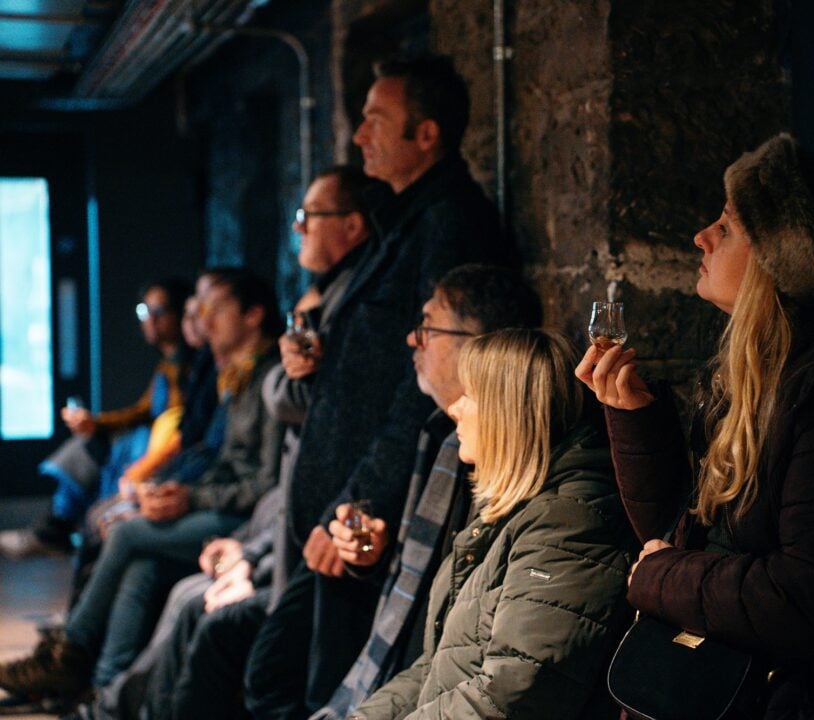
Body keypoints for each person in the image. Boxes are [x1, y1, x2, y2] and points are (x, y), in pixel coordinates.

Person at [576, 133, 814, 719]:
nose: (701, 236)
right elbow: (686, 532)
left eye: (728, 227)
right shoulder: (756, 378)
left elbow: (806, 596)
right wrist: (634, 419)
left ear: (782, 259)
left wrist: (658, 577)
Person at [246, 55, 512, 720]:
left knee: (306, 686)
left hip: (361, 514)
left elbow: (426, 384)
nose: (359, 135)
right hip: (340, 501)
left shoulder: (447, 221)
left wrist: (361, 502)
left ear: (426, 135)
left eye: (375, 120)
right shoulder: (408, 218)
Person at [0, 269, 285, 701]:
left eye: (216, 307)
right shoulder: (235, 376)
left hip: (240, 523)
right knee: (141, 566)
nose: (204, 319)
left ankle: (71, 651)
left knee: (130, 533)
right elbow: (211, 458)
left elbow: (261, 482)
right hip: (213, 504)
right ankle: (102, 689)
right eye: (200, 308)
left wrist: (187, 497)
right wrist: (171, 492)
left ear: (253, 315)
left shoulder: (267, 378)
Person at [352, 328, 635, 720]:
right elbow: (435, 668)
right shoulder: (516, 512)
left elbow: (512, 693)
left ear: (509, 414)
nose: (454, 409)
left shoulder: (567, 523)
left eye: (470, 395)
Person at [310, 264, 542, 720]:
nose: (412, 339)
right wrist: (374, 557)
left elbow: (489, 662)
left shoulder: (512, 459)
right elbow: (435, 600)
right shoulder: (443, 438)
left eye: (427, 327)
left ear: (479, 346)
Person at [0, 279, 192, 559]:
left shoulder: (188, 367)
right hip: (147, 446)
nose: (150, 320)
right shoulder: (168, 363)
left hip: (159, 453)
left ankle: (53, 530)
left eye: (159, 311)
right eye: (144, 311)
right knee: (89, 447)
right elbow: (143, 409)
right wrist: (96, 423)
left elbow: (176, 425)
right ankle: (53, 528)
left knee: (95, 462)